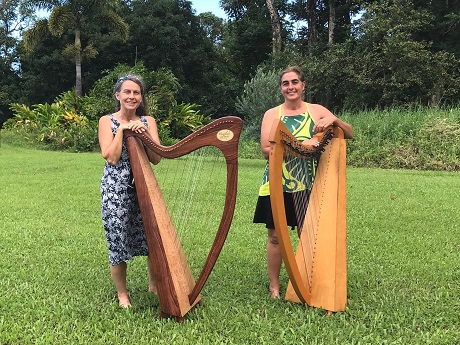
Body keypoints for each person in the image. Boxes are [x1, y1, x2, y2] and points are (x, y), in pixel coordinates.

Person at [253, 66, 354, 299]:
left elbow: (348, 133)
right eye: (285, 83)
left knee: (306, 234)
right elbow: (266, 150)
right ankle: (274, 286)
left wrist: (335, 119)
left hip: (308, 184)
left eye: (295, 82)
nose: (290, 87)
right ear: (281, 88)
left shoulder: (317, 110)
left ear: (303, 85)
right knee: (275, 236)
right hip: (276, 183)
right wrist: (302, 147)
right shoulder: (271, 114)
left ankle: (309, 280)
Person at [98, 74, 161, 308]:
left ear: (141, 97)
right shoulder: (107, 121)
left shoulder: (148, 121)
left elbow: (156, 158)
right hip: (116, 189)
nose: (132, 96)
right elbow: (111, 157)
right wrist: (123, 130)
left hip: (144, 187)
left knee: (152, 237)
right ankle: (122, 294)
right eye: (127, 92)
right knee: (118, 238)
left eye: (136, 92)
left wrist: (143, 133)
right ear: (118, 95)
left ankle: (154, 285)